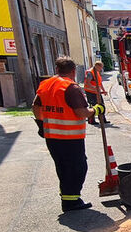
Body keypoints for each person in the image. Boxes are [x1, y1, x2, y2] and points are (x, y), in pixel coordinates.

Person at [33, 56, 99, 212]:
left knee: (62, 167)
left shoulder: (45, 85)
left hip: (52, 137)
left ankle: (67, 196)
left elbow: (35, 107)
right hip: (70, 137)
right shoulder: (71, 87)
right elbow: (81, 112)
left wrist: (42, 124)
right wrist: (95, 110)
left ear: (56, 69)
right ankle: (71, 201)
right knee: (77, 167)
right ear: (74, 71)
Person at [83, 61, 109, 126]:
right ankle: (91, 120)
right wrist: (94, 88)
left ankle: (102, 119)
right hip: (91, 92)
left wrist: (103, 90)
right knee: (93, 106)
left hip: (96, 92)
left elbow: (100, 83)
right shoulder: (90, 72)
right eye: (101, 67)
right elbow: (87, 83)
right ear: (97, 66)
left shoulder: (96, 72)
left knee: (101, 105)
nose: (101, 69)